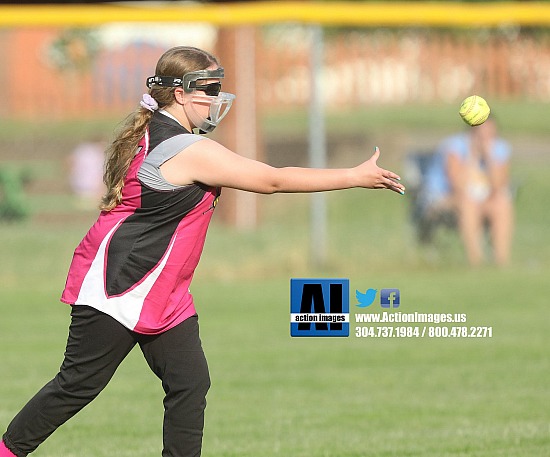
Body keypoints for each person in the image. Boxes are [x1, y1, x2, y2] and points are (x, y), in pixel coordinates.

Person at [0, 46, 405, 457]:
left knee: (189, 383)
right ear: (179, 93)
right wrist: (353, 176)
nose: (216, 99)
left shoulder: (162, 133)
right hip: (121, 285)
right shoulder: (185, 149)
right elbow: (272, 181)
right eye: (209, 89)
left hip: (164, 292)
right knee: (77, 386)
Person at [422, 117, 513, 266]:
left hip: (483, 200)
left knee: (501, 203)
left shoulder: (499, 148)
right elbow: (458, 185)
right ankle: (476, 262)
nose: (485, 139)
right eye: (481, 134)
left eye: (490, 134)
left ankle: (501, 262)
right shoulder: (455, 147)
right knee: (468, 203)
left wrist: (489, 156)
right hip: (446, 199)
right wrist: (473, 156)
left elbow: (498, 185)